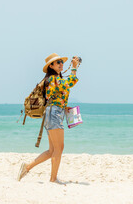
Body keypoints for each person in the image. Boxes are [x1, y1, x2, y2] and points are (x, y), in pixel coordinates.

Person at [17, 53, 80, 184]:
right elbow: (70, 83)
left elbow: (55, 97)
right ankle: (53, 179)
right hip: (54, 114)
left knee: (52, 150)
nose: (61, 64)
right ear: (50, 66)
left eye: (61, 62)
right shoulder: (52, 79)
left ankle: (27, 167)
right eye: (58, 62)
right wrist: (74, 68)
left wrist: (64, 106)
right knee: (59, 148)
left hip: (55, 112)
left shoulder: (55, 79)